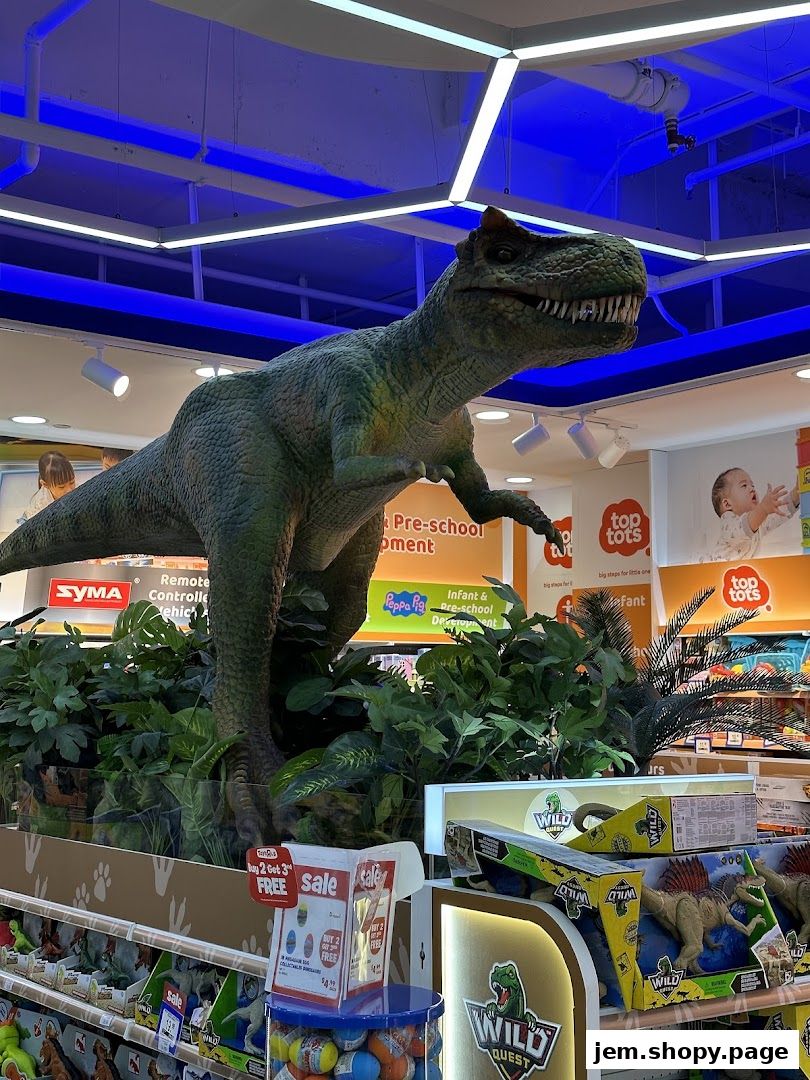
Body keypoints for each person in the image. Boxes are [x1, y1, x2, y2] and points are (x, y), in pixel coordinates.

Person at [705, 467, 800, 561]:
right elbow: (746, 525)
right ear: (727, 504)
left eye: (752, 485)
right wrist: (763, 508)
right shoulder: (728, 521)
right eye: (744, 485)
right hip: (714, 572)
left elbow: (776, 516)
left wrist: (796, 493)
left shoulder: (756, 523)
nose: (752, 489)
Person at [18, 451, 75, 523]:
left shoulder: (68, 486)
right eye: (61, 487)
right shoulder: (40, 504)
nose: (69, 490)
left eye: (72, 482)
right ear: (45, 485)